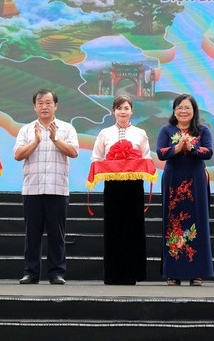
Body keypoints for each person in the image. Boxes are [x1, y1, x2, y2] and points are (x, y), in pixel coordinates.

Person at [14, 89, 79, 285]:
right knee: (31, 235)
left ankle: (56, 273)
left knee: (56, 234)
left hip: (57, 189)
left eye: (48, 103)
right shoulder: (26, 130)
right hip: (32, 189)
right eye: (40, 103)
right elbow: (17, 155)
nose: (44, 106)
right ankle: (30, 272)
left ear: (55, 106)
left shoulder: (66, 129)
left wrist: (55, 138)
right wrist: (35, 142)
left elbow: (74, 152)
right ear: (34, 106)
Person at [90, 95, 151, 285]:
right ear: (113, 111)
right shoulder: (104, 133)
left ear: (132, 111)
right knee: (113, 227)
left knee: (133, 227)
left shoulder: (140, 133)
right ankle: (113, 274)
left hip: (133, 186)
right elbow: (96, 158)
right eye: (119, 108)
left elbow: (147, 159)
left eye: (126, 108)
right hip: (113, 186)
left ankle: (132, 274)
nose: (122, 112)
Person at [156, 94, 214, 286]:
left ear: (194, 111)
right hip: (173, 179)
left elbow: (209, 152)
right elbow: (160, 152)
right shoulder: (166, 130)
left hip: (195, 180)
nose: (183, 111)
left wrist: (191, 148)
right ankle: (172, 272)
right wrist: (177, 148)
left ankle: (197, 273)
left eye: (187, 107)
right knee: (173, 222)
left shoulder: (203, 130)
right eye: (180, 107)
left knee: (197, 220)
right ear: (174, 111)